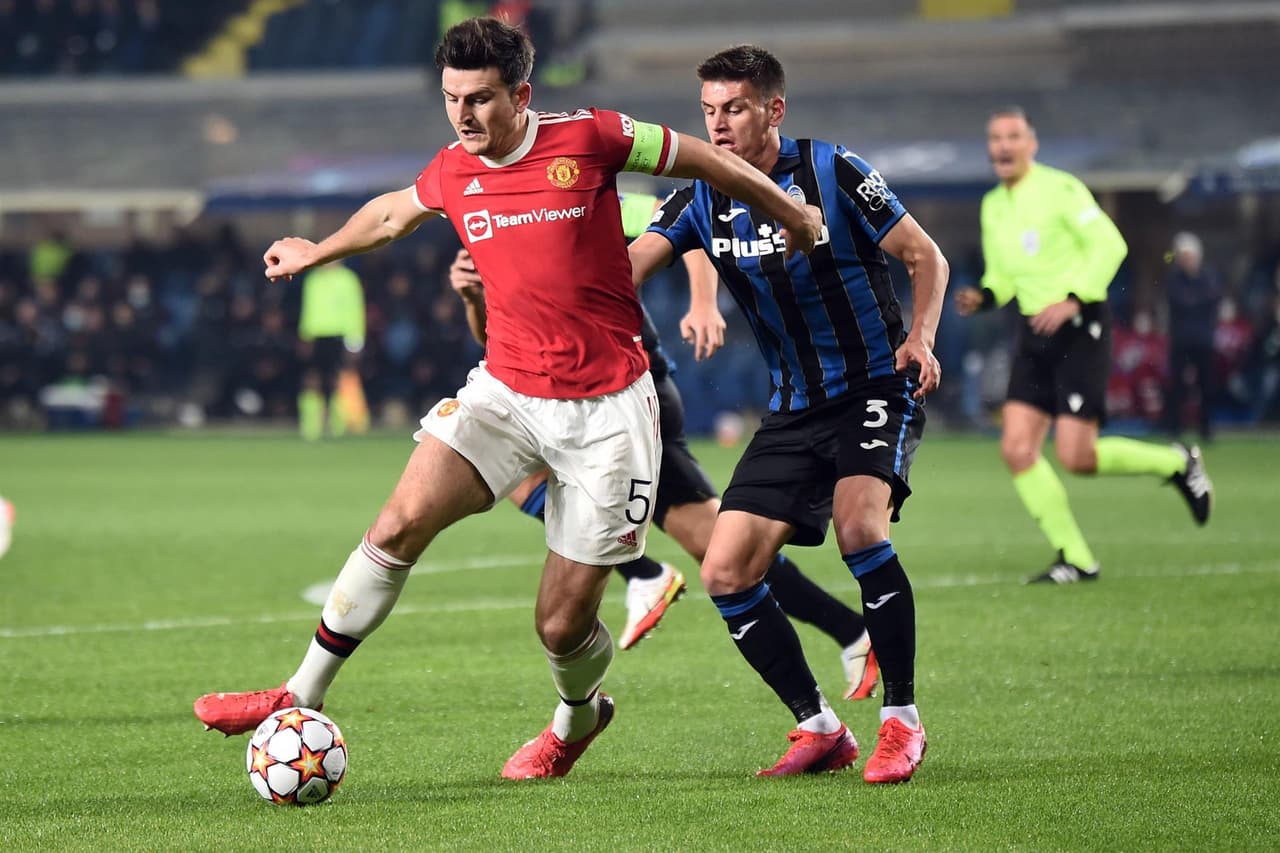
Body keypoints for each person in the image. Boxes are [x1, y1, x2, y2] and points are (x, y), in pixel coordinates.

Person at [193, 17, 825, 781]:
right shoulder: (454, 166)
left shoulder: (591, 137)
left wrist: (794, 213)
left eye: (482, 99)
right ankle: (299, 693)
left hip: (609, 413)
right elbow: (394, 212)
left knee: (560, 628)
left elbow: (706, 165)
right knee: (397, 521)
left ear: (523, 95)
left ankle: (577, 717)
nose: (464, 116)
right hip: (507, 391)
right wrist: (317, 249)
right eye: (452, 98)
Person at [627, 45, 946, 782]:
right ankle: (819, 726)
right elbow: (633, 266)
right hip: (793, 409)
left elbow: (925, 256)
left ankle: (901, 719)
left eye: (734, 108)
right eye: (708, 112)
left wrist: (921, 337)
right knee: (726, 569)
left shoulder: (835, 171)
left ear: (774, 108)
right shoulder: (701, 192)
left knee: (859, 525)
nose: (719, 125)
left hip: (873, 384)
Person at [448, 190, 879, 697]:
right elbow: (496, 338)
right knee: (721, 549)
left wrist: (702, 301)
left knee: (516, 471)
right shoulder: (488, 221)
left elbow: (686, 220)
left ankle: (645, 574)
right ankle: (852, 632)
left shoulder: (576, 191)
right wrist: (472, 297)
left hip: (625, 389)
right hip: (575, 397)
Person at [954, 107, 1213, 585]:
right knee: (1016, 449)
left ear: (1031, 143)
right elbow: (1005, 276)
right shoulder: (994, 205)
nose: (1003, 146)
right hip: (1034, 334)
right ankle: (1075, 557)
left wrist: (1073, 298)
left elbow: (1110, 245)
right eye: (995, 138)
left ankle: (1178, 462)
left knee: (1078, 456)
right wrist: (986, 295)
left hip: (1080, 328)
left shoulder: (1061, 189)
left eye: (1013, 136)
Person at [1162, 231, 1224, 442]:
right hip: (1181, 340)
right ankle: (1175, 427)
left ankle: (1206, 427)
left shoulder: (1209, 276)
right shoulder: (1174, 278)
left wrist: (1194, 302)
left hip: (1203, 340)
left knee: (1206, 385)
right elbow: (1182, 301)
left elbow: (1209, 300)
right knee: (1177, 385)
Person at [296, 260, 366, 440]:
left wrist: (355, 340)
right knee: (313, 379)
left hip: (339, 334)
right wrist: (304, 335)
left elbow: (355, 310)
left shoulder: (348, 279)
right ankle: (312, 425)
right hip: (316, 335)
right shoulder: (312, 280)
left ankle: (337, 423)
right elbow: (307, 309)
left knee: (337, 380)